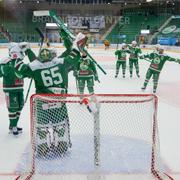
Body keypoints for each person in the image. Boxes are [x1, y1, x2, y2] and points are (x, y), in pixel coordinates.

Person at [15, 33, 87, 155]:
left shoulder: (35, 66)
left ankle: (42, 149)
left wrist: (19, 54)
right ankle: (62, 147)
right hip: (59, 101)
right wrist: (76, 45)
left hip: (42, 102)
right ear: (53, 56)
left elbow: (19, 72)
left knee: (41, 128)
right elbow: (74, 56)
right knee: (60, 126)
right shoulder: (61, 62)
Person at [0, 43, 25, 135]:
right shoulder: (5, 61)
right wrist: (5, 69)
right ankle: (13, 126)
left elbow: (24, 72)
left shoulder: (20, 61)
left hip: (20, 88)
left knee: (20, 106)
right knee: (12, 108)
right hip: (10, 89)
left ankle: (13, 125)